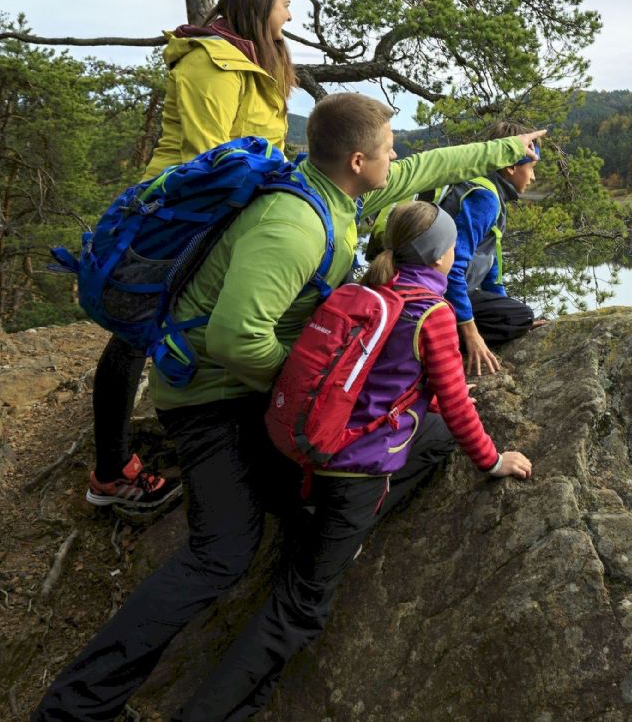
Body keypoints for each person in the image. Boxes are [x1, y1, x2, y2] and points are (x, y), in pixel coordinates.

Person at [33, 92, 545, 721]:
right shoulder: (295, 225)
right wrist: (327, 387)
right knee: (221, 552)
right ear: (359, 160)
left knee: (415, 445)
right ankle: (72, 710)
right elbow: (232, 336)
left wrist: (507, 149)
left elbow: (428, 168)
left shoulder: (341, 196)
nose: (398, 157)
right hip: (209, 397)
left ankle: (318, 519)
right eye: (388, 148)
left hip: (243, 391)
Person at [172, 201, 531, 719]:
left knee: (432, 437)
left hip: (309, 449)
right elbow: (456, 404)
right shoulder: (433, 314)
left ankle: (340, 520)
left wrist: (426, 401)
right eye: (453, 244)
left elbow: (396, 382)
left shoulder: (371, 291)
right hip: (354, 473)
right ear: (440, 257)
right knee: (299, 608)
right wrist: (493, 461)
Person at [85, 0, 297, 513]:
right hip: (179, 213)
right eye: (284, 3)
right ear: (257, 6)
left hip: (211, 207)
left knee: (167, 324)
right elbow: (211, 160)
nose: (290, 13)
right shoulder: (213, 64)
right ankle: (110, 473)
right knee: (135, 332)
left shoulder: (247, 60)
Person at [443, 120, 544, 376]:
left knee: (519, 315)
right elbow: (454, 265)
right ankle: (443, 340)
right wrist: (471, 332)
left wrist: (510, 313)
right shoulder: (485, 198)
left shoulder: (484, 189)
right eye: (531, 168)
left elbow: (490, 266)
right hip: (438, 297)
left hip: (444, 296)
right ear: (511, 166)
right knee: (519, 315)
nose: (533, 177)